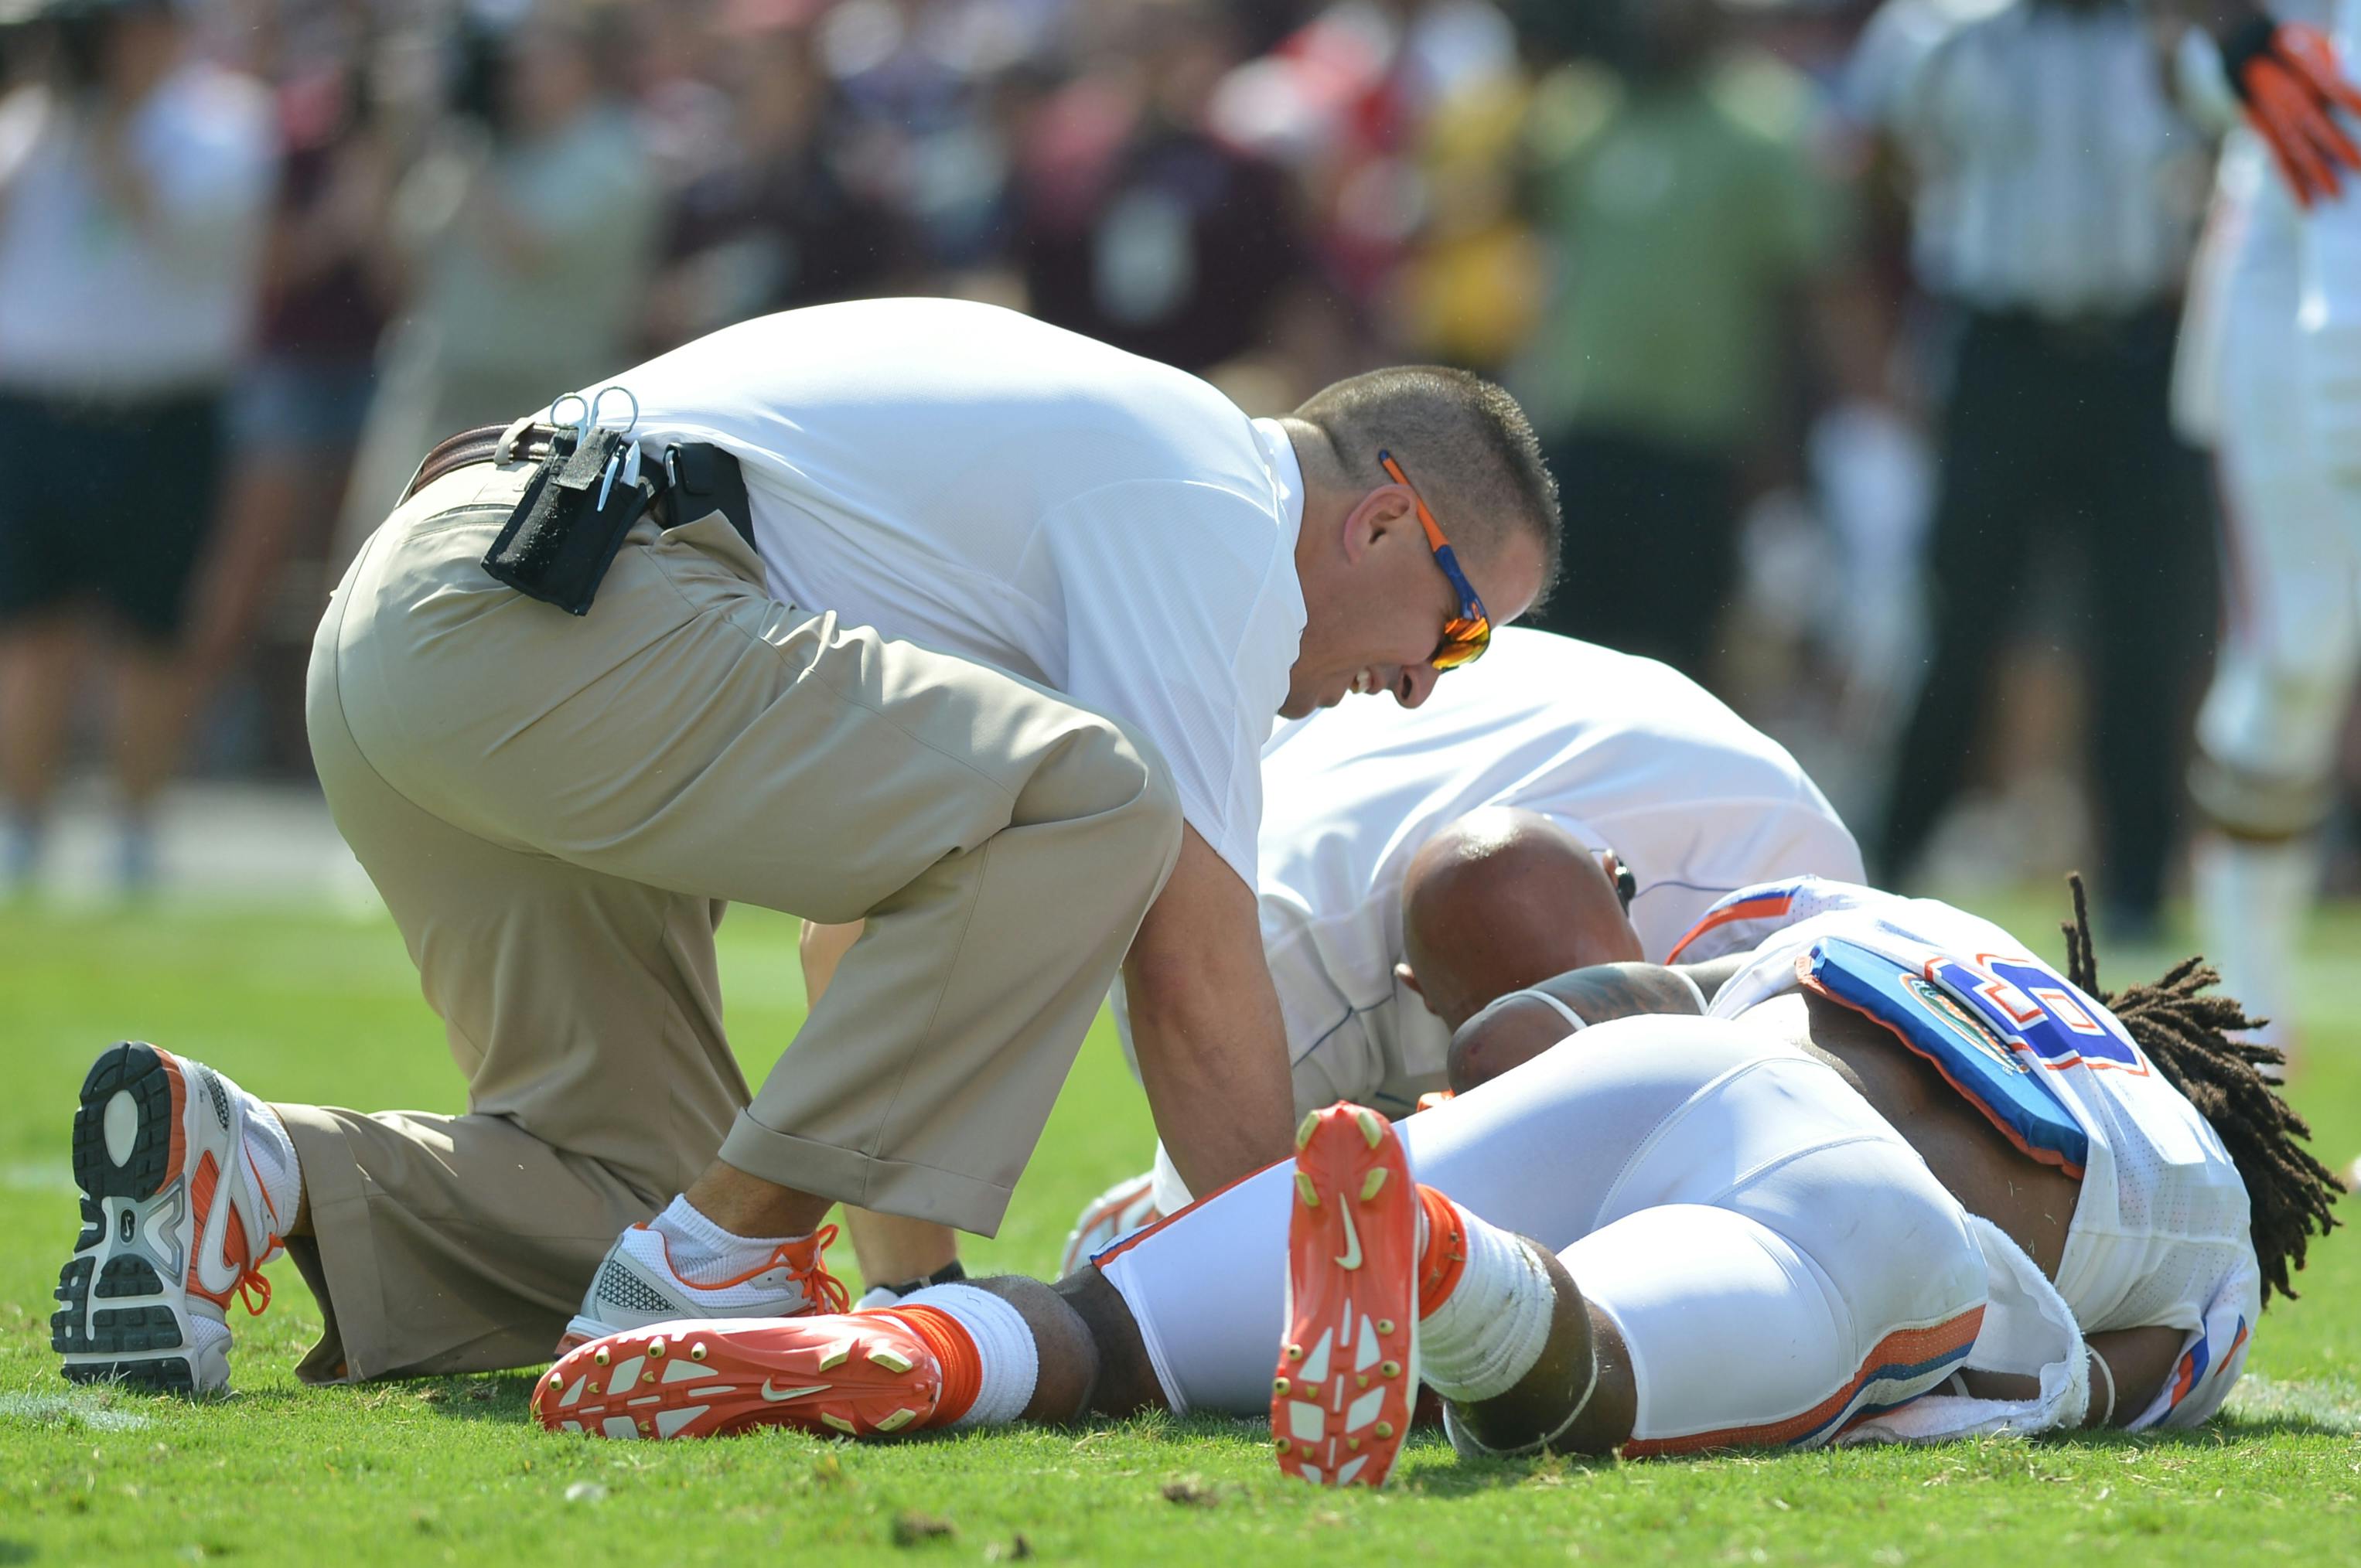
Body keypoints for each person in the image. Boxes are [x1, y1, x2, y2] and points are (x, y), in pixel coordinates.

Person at [50, 296, 1558, 1395]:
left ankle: (245, 1165)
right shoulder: (1221, 509)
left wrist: (914, 1291)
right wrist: (1298, 1303)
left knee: (615, 1203)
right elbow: (1189, 959)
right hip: (556, 619)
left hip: (425, 625)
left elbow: (883, 934)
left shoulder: (1132, 486)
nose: (1428, 680)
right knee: (1105, 803)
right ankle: (724, 1252)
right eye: (1460, 625)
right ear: (1378, 520)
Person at [531, 874, 2338, 1481]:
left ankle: (917, 1350)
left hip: (1668, 1070)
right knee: (1586, 1368)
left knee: (1122, 1330)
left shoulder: (1922, 925)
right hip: (1861, 1209)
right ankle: (1450, 1270)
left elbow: (1580, 1009)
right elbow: (2093, 1392)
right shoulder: (2210, 1241)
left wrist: (1476, 1102)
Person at [825, 629, 1861, 1296]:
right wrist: (1186, 1223)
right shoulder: (1279, 960)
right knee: (1229, 1266)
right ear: (1414, 998)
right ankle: (913, 1302)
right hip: (1314, 795)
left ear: (1622, 883)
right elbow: (1245, 1272)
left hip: (1586, 713)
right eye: (1502, 1040)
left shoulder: (1786, 882)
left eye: (1593, 1005)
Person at [1860, 0, 2216, 937]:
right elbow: (1873, 159)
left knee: (2141, 622)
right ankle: (1888, 855)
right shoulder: (1945, 31)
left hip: (2138, 352)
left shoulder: (2167, 32)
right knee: (1957, 613)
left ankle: (2137, 879)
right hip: (1999, 347)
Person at [0, 0, 276, 891]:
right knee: (30, 628)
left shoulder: (222, 123)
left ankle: (134, 830)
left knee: (154, 629)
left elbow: (194, 246)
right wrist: (47, 108)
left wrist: (108, 133)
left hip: (164, 413)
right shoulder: (32, 125)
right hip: (36, 408)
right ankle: (21, 827)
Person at [2174, 2, 2361, 1063]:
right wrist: (2223, 33)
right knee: (2290, 658)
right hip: (2291, 236)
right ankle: (2249, 1030)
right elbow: (2184, 58)